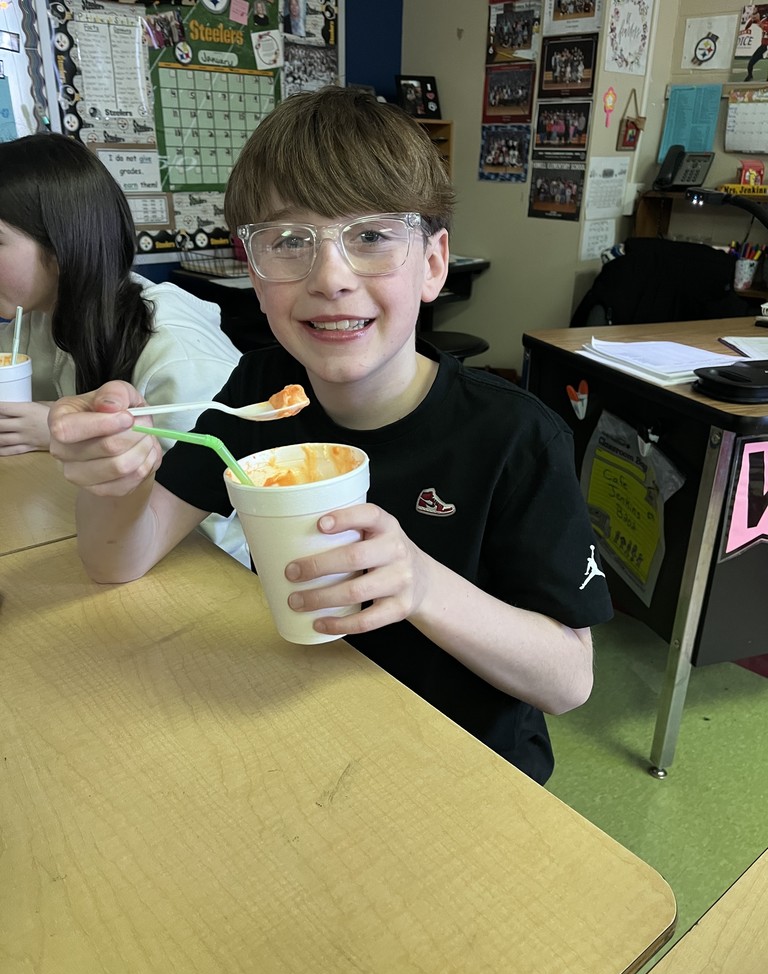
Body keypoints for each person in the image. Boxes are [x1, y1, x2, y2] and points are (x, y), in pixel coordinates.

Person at [48, 87, 612, 785]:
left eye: (372, 236)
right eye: (289, 241)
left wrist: (422, 585)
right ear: (252, 270)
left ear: (433, 264)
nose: (331, 278)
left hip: (469, 771)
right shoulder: (262, 392)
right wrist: (115, 478)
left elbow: (569, 681)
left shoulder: (516, 437)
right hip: (304, 734)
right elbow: (117, 561)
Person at [0, 131, 248, 565]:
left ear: (60, 248)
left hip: (211, 566)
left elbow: (225, 513)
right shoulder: (37, 317)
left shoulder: (174, 352)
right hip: (95, 535)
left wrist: (60, 435)